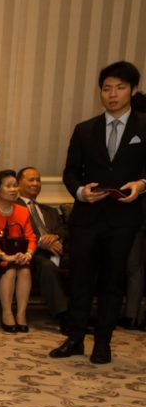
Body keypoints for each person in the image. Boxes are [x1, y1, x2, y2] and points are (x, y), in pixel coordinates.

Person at [52, 61, 146, 364]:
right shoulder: (85, 129)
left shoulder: (144, 126)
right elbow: (69, 172)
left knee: (112, 281)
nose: (113, 94)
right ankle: (75, 339)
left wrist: (141, 184)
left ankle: (103, 343)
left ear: (132, 90)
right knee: (80, 279)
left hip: (123, 219)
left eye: (119, 88)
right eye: (107, 88)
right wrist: (81, 192)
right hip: (86, 218)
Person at [0, 170, 36, 332]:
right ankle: (7, 313)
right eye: (8, 186)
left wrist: (27, 254)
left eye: (15, 186)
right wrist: (5, 256)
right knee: (9, 270)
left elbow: (31, 237)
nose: (13, 190)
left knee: (24, 270)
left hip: (16, 254)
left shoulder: (22, 211)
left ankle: (21, 315)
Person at [16, 166, 69, 332]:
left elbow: (64, 229)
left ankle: (81, 312)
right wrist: (40, 242)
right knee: (46, 266)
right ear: (18, 184)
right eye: (31, 180)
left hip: (58, 251)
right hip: (32, 253)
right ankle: (64, 316)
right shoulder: (13, 207)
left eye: (38, 180)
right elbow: (15, 233)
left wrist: (55, 237)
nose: (36, 183)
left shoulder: (50, 211)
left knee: (86, 260)